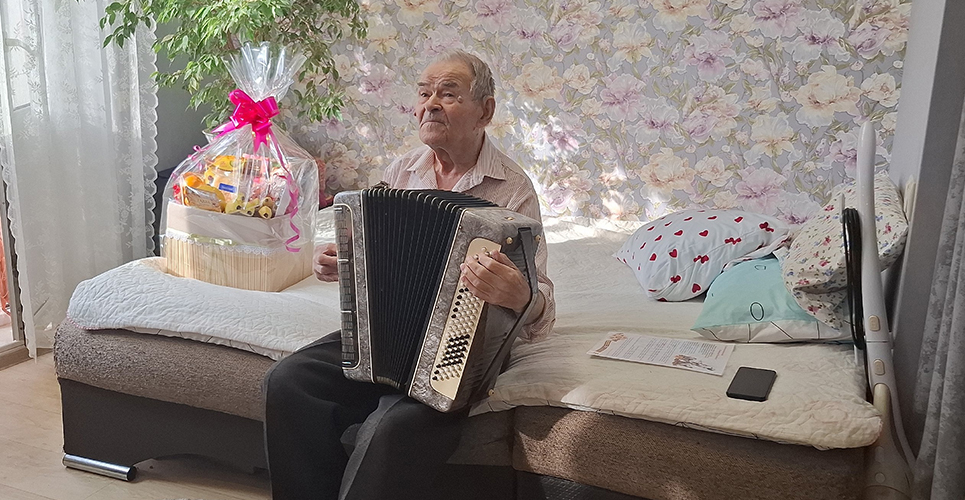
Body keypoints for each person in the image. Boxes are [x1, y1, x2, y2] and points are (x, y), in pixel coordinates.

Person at [263, 49, 555, 500]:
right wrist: (346, 263)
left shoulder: (513, 188)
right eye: (423, 93)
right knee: (287, 382)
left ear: (485, 111)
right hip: (386, 331)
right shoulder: (403, 170)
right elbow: (382, 259)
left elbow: (541, 304)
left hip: (461, 345)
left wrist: (520, 295)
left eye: (448, 94)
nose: (430, 104)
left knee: (391, 426)